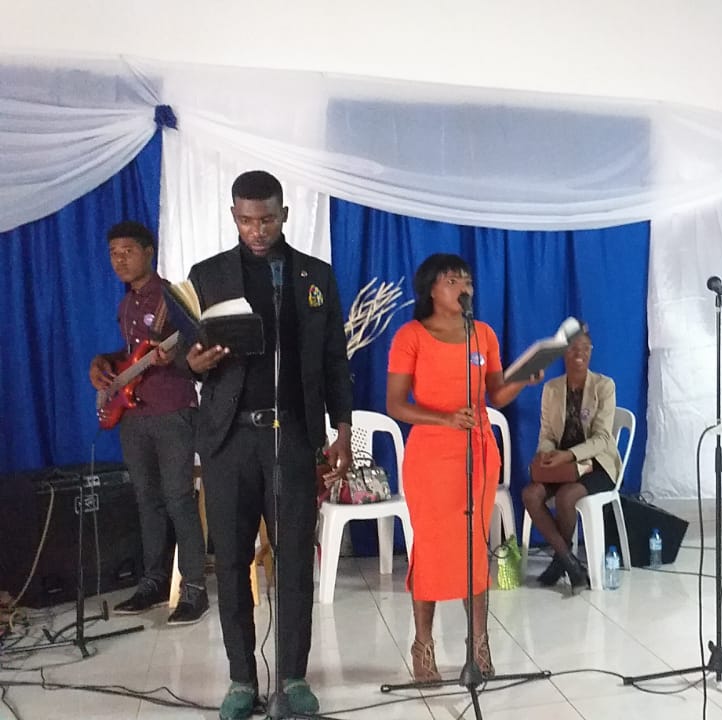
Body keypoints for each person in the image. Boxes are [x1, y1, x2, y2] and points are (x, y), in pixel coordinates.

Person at [184, 171, 353, 720]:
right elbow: (190, 356)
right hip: (230, 439)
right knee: (232, 561)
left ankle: (294, 677)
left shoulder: (314, 276)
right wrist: (195, 364)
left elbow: (334, 359)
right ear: (234, 217)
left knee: (295, 560)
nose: (256, 230)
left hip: (293, 437)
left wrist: (342, 429)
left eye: (266, 220)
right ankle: (240, 679)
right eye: (246, 220)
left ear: (284, 215)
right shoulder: (207, 275)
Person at [385, 253, 541, 683]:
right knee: (432, 550)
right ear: (431, 289)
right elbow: (396, 404)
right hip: (432, 457)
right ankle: (423, 645)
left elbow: (496, 394)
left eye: (467, 279)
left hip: (478, 452)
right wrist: (445, 418)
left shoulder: (483, 334)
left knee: (474, 547)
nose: (463, 286)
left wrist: (523, 379)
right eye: (452, 280)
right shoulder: (411, 336)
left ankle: (479, 645)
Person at [89, 221, 208, 625]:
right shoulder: (126, 304)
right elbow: (129, 355)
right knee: (147, 500)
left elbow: (198, 349)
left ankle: (194, 588)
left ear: (148, 253)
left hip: (172, 410)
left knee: (178, 499)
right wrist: (101, 363)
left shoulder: (172, 299)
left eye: (127, 251)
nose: (119, 260)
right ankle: (154, 582)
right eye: (113, 253)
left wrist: (172, 357)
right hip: (133, 415)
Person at [522, 329, 623, 590]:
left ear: (591, 352)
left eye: (585, 348)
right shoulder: (551, 389)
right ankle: (570, 562)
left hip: (596, 463)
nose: (580, 353)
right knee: (531, 494)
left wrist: (569, 454)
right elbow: (546, 433)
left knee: (567, 497)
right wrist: (547, 453)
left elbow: (603, 439)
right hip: (563, 465)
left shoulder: (604, 386)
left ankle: (561, 563)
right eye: (574, 348)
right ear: (563, 352)